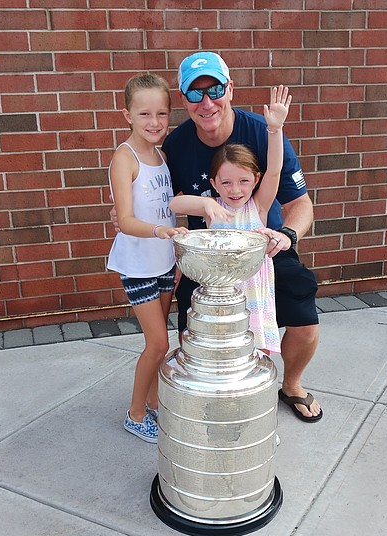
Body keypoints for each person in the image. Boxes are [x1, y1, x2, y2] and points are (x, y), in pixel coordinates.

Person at [163, 52, 323, 423]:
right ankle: (213, 393)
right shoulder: (175, 147)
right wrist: (127, 212)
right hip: (210, 261)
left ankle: (291, 385)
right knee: (195, 334)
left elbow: (301, 204)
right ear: (183, 98)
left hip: (265, 249)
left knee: (304, 317)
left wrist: (286, 235)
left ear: (230, 88)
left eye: (215, 89)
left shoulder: (260, 132)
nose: (207, 102)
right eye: (195, 93)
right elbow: (163, 203)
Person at [169, 84, 292, 355]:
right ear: (214, 183)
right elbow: (174, 203)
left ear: (255, 181)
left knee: (256, 352)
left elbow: (275, 170)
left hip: (254, 292)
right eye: (226, 182)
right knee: (221, 351)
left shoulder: (258, 207)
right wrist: (203, 203)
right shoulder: (213, 208)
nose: (235, 190)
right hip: (219, 294)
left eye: (243, 181)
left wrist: (275, 129)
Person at [107, 73, 188, 443]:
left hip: (164, 263)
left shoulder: (163, 155)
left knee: (163, 342)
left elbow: (166, 210)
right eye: (144, 114)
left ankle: (154, 404)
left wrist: (173, 251)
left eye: (161, 114)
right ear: (127, 115)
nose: (154, 122)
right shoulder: (124, 159)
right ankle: (135, 413)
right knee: (156, 343)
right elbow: (124, 220)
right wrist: (160, 233)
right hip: (138, 264)